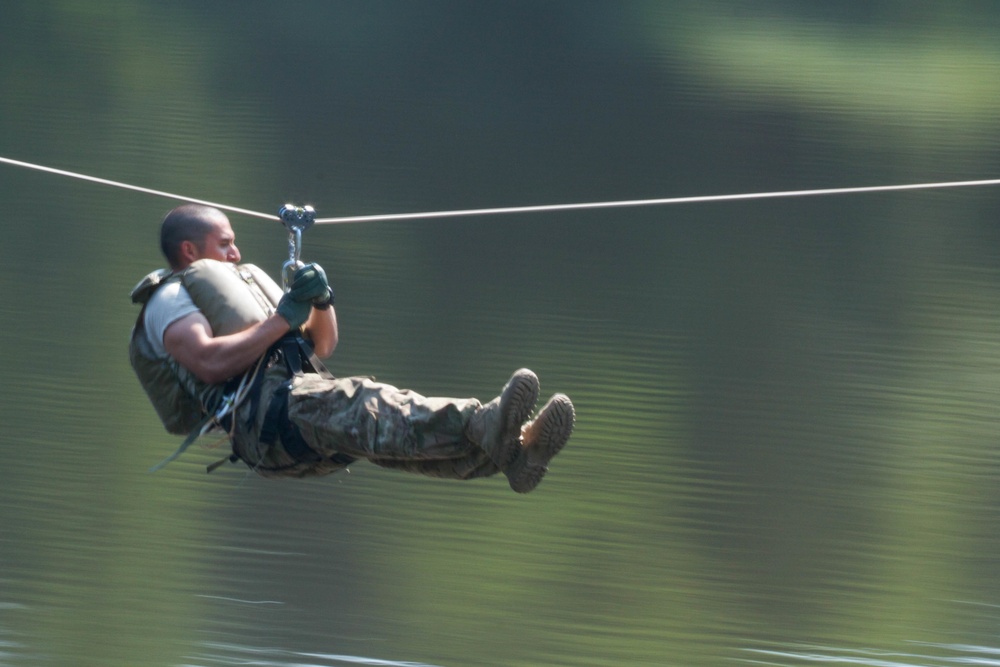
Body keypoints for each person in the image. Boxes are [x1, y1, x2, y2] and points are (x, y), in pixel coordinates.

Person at [129, 204, 574, 492]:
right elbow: (208, 362)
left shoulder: (237, 282)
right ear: (190, 250)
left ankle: (515, 451)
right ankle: (484, 420)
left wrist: (320, 300)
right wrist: (284, 317)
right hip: (266, 421)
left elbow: (324, 343)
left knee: (391, 440)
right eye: (224, 243)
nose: (236, 251)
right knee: (370, 404)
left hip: (292, 419)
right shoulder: (169, 300)